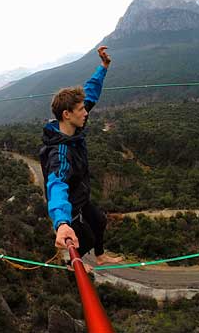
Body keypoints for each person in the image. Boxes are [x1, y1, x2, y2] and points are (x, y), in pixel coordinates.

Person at [39, 45, 123, 271]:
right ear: (67, 114)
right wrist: (62, 222)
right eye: (80, 110)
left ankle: (101, 257)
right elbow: (56, 185)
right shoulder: (60, 153)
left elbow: (91, 91)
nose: (86, 112)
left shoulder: (73, 124)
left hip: (81, 193)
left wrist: (103, 67)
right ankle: (70, 263)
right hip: (70, 203)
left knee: (100, 222)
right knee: (85, 237)